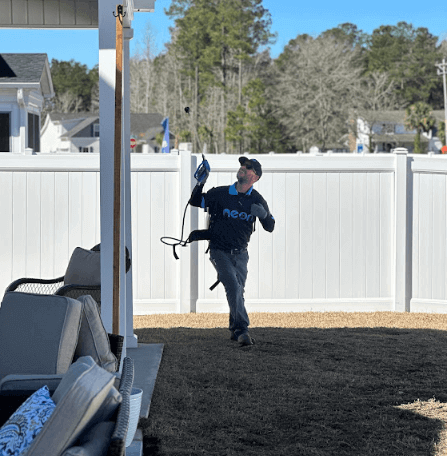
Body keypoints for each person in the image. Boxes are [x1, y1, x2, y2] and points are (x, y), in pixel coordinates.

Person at [188, 156, 275, 346]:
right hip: (219, 251)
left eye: (248, 167)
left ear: (256, 177)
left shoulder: (257, 200)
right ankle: (243, 329)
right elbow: (195, 201)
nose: (243, 168)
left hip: (241, 254)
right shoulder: (220, 194)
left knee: (237, 291)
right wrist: (200, 183)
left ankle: (234, 329)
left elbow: (270, 226)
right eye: (242, 165)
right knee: (234, 287)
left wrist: (265, 215)